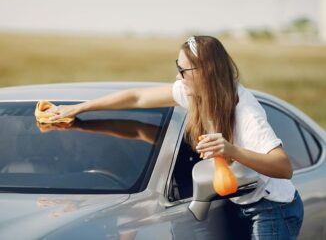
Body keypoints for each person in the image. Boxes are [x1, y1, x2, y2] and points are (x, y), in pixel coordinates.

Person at [47, 35, 304, 239]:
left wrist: (231, 150)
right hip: (239, 203)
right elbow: (136, 98)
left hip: (272, 208)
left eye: (183, 70)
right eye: (177, 67)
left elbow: (283, 167)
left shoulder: (244, 110)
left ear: (205, 72)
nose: (178, 76)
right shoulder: (191, 92)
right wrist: (79, 109)